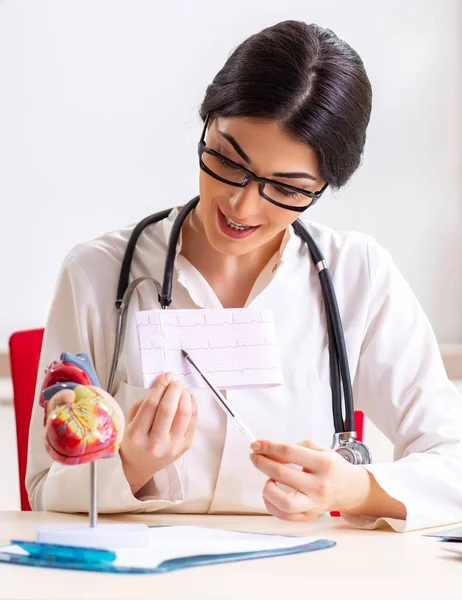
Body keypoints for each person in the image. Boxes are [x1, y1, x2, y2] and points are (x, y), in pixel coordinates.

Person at [26, 20, 462, 532]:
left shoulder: (358, 276)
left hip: (299, 577)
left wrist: (354, 488)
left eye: (288, 187)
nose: (242, 204)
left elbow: (452, 462)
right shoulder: (97, 273)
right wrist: (131, 464)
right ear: (206, 124)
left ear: (324, 186)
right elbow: (43, 491)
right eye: (229, 161)